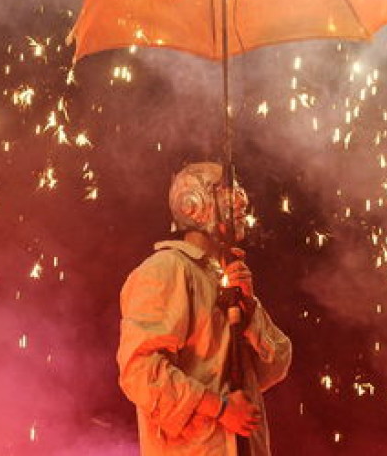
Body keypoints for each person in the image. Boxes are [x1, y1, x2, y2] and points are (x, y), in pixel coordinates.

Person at [118, 161, 292, 455]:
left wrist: (248, 308)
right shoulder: (166, 269)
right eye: (225, 191)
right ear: (193, 202)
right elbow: (140, 371)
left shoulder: (228, 277)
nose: (240, 201)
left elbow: (276, 366)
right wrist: (221, 409)